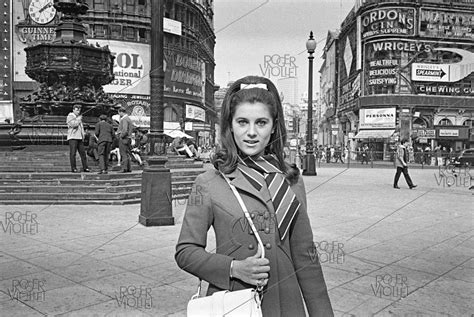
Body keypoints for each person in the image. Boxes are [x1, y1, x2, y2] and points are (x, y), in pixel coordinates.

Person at [175, 76, 333, 316]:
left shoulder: (290, 180)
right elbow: (185, 251)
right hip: (235, 301)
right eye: (242, 122)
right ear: (230, 126)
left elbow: (305, 255)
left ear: (274, 126)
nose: (251, 132)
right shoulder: (208, 182)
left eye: (261, 122)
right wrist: (233, 268)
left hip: (286, 306)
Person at [66, 104, 90, 173]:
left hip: (79, 138)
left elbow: (81, 128)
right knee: (73, 153)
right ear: (73, 110)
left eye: (79, 110)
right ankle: (73, 168)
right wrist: (78, 120)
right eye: (77, 110)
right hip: (73, 137)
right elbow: (73, 125)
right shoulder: (70, 116)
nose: (78, 112)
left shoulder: (78, 117)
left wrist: (83, 135)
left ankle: (85, 167)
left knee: (83, 154)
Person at [116, 107, 134, 173]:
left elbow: (125, 130)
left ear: (121, 112)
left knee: (123, 153)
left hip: (124, 138)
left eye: (119, 113)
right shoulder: (128, 119)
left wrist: (120, 136)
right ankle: (128, 168)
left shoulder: (124, 119)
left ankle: (124, 168)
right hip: (128, 138)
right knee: (127, 153)